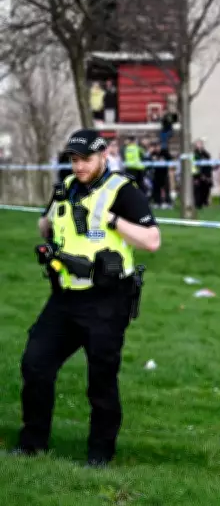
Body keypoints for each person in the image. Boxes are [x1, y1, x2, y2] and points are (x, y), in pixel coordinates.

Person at [14, 128, 161, 467]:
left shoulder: (122, 190)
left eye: (86, 160)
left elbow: (152, 240)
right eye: (74, 160)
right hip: (65, 297)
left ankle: (100, 453)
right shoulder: (64, 188)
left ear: (103, 157)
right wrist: (50, 230)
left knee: (101, 378)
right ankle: (32, 443)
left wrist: (111, 220)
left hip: (107, 301)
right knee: (35, 364)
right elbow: (44, 223)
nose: (79, 167)